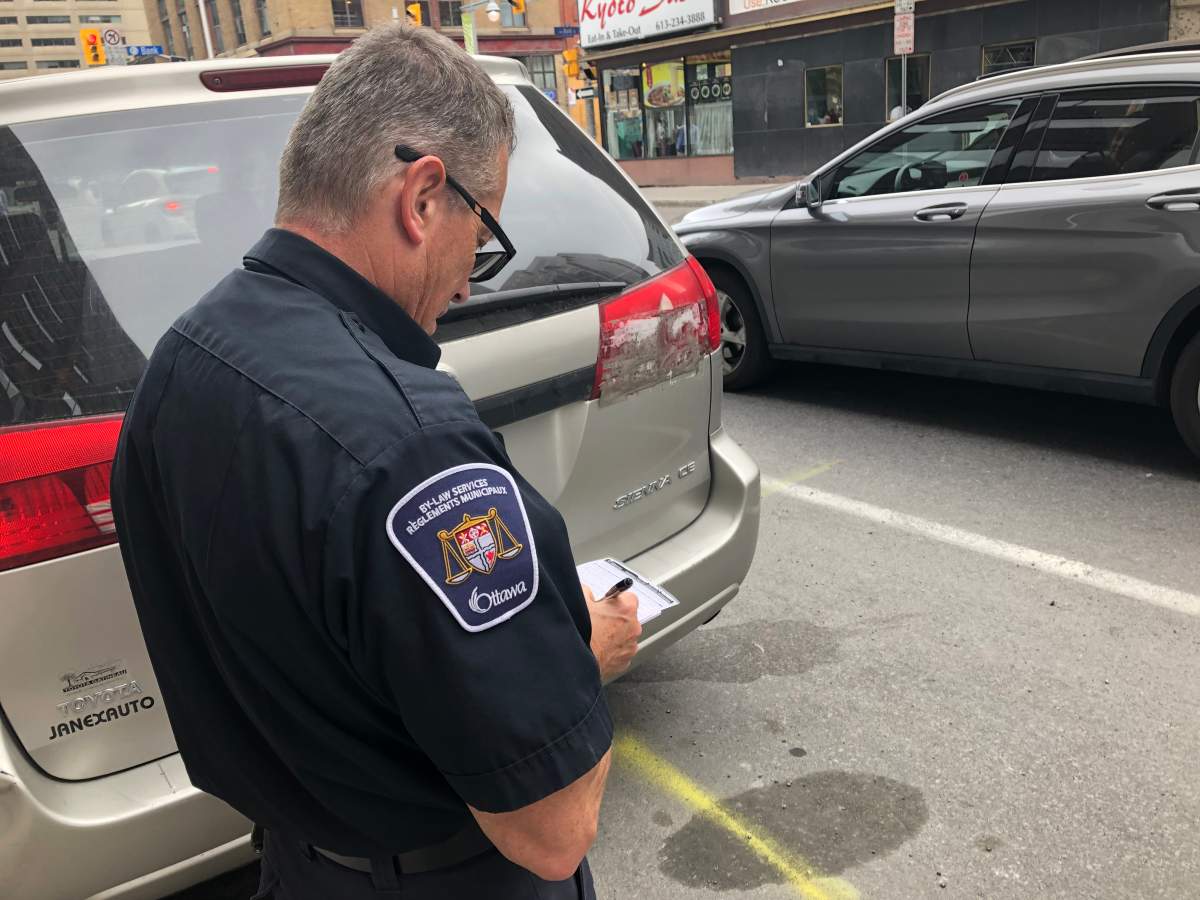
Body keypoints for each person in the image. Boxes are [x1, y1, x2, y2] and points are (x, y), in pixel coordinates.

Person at [110, 24, 641, 900]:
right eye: (484, 229)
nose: (473, 278)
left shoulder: (182, 359)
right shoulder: (415, 449)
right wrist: (587, 653)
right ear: (423, 196)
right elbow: (553, 829)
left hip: (295, 867)